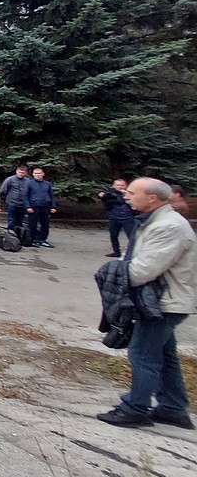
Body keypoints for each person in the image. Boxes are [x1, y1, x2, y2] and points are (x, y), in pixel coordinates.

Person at [97, 178, 196, 429]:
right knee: (164, 354)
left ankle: (135, 408)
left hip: (163, 304)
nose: (126, 196)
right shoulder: (154, 221)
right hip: (158, 300)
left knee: (142, 354)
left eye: (131, 192)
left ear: (152, 198)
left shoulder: (168, 226)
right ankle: (173, 408)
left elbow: (143, 270)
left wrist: (110, 272)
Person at [98, 178, 134, 258]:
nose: (120, 187)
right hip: (114, 217)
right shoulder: (110, 193)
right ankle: (116, 251)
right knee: (113, 235)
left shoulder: (130, 194)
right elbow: (103, 199)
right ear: (113, 186)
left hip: (127, 217)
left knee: (131, 236)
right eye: (118, 185)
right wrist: (102, 195)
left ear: (126, 186)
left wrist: (126, 195)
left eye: (122, 185)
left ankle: (133, 251)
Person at [25, 167, 58, 248]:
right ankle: (32, 240)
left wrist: (53, 206)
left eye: (39, 173)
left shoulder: (47, 184)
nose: (37, 175)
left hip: (45, 207)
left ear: (43, 174)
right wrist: (28, 206)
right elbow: (25, 196)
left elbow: (51, 196)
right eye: (35, 173)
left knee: (45, 224)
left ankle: (42, 240)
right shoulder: (29, 183)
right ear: (33, 174)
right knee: (32, 225)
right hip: (34, 207)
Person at [0, 166, 30, 233]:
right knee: (11, 220)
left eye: (22, 173)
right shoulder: (10, 179)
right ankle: (11, 235)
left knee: (20, 220)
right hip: (12, 203)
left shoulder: (28, 181)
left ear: (25, 173)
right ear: (16, 171)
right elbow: (3, 190)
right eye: (19, 172)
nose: (21, 174)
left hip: (23, 204)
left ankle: (19, 234)